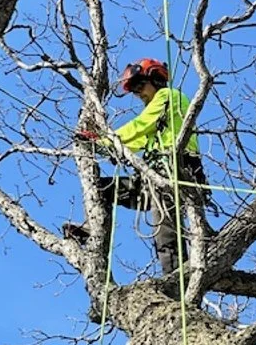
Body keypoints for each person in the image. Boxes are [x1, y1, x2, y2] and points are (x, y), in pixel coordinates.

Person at [63, 58, 206, 275]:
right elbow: (137, 140)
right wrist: (107, 147)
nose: (138, 93)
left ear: (156, 80)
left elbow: (140, 126)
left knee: (165, 229)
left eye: (140, 86)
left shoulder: (169, 96)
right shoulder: (159, 121)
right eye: (135, 90)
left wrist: (104, 141)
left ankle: (177, 279)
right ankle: (91, 229)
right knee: (100, 188)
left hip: (175, 172)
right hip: (151, 179)